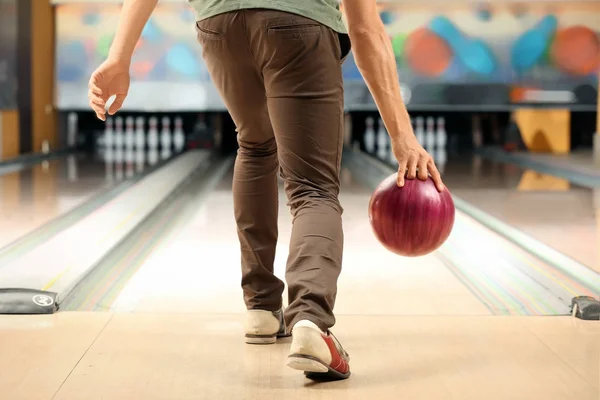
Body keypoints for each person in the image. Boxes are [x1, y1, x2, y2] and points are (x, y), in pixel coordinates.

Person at [88, 0, 445, 381]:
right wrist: (402, 135)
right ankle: (311, 320)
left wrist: (118, 57)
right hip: (299, 24)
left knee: (255, 146)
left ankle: (261, 308)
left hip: (220, 25)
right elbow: (365, 28)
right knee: (314, 187)